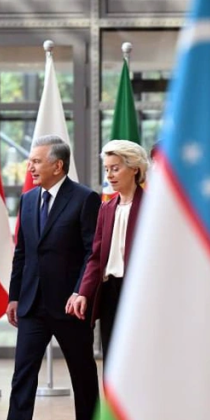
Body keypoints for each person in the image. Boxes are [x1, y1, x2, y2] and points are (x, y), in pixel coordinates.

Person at [0, 135, 101, 420]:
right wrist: (14, 296)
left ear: (58, 165)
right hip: (32, 302)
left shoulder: (85, 199)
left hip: (70, 304)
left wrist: (80, 292)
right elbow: (22, 253)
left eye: (36, 161)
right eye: (31, 161)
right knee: (23, 369)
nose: (30, 167)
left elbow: (92, 253)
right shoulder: (28, 200)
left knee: (81, 370)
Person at [66, 140, 148, 362]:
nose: (110, 175)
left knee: (138, 356)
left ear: (134, 169)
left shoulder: (151, 207)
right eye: (107, 169)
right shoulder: (106, 208)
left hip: (139, 290)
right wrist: (83, 292)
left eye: (115, 168)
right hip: (109, 291)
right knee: (111, 356)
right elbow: (95, 257)